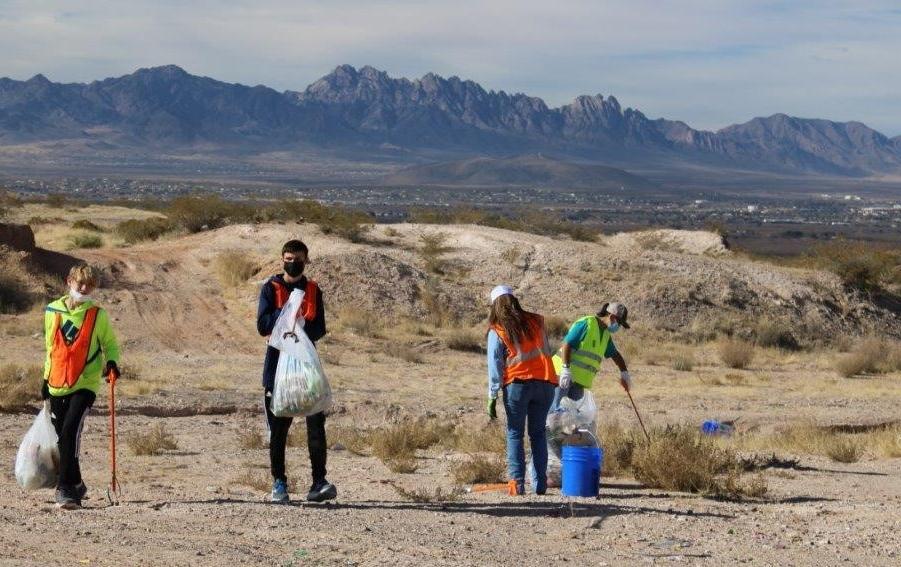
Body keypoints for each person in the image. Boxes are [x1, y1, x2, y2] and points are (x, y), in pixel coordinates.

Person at [257, 239, 336, 503]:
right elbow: (262, 325)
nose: (293, 263)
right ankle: (279, 482)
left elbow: (319, 329)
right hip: (277, 366)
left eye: (298, 258)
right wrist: (286, 313)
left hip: (305, 366)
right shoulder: (271, 288)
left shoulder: (313, 290)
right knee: (279, 427)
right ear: (282, 259)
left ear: (306, 260)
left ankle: (318, 481)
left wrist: (301, 325)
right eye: (288, 258)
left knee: (316, 423)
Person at [42, 264, 120, 509]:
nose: (85, 288)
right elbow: (51, 348)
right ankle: (76, 482)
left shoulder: (98, 315)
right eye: (80, 283)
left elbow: (110, 344)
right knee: (60, 438)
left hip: (85, 383)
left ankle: (64, 489)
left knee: (69, 432)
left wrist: (112, 363)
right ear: (69, 281)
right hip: (56, 382)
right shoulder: (52, 310)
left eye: (90, 285)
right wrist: (45, 379)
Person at [486, 285, 558, 495]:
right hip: (545, 383)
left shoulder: (498, 328)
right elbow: (546, 350)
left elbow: (495, 363)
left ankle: (517, 485)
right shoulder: (536, 321)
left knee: (515, 433)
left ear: (495, 306)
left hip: (517, 385)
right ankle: (540, 484)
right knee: (538, 434)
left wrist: (492, 393)